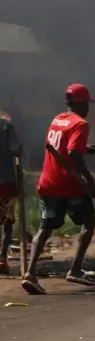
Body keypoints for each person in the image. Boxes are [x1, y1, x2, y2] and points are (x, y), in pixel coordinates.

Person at [22, 84, 95, 295]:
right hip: (70, 187)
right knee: (89, 222)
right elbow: (73, 155)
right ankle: (75, 270)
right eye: (87, 103)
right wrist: (90, 181)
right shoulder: (81, 124)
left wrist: (85, 149)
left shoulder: (57, 120)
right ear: (82, 103)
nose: (88, 108)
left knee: (45, 228)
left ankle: (30, 273)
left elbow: (63, 147)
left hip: (48, 185)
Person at [0, 113, 22, 274]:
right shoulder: (6, 125)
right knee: (8, 220)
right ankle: (2, 258)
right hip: (5, 182)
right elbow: (17, 149)